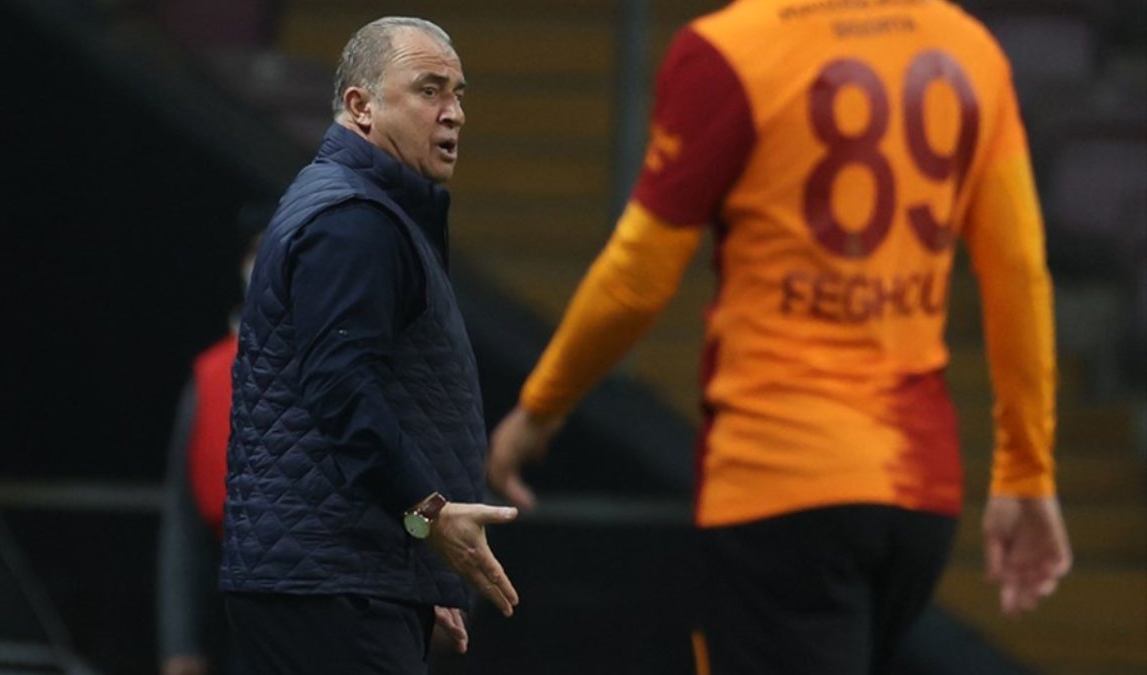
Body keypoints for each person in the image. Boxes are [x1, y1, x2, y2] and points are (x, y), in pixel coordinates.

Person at [488, 1, 1072, 673]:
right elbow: (1018, 271)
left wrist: (539, 409)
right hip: (918, 497)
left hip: (782, 481)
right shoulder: (968, 46)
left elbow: (636, 281)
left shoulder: (732, 51)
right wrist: (1026, 471)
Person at [220, 17, 518, 674]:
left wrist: (416, 560)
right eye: (429, 90)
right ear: (361, 106)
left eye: (458, 94)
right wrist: (429, 516)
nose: (454, 113)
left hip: (341, 577)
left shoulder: (367, 210)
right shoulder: (353, 219)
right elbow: (341, 387)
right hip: (332, 587)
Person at [157, 204, 268, 675]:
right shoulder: (211, 378)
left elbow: (413, 494)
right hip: (243, 615)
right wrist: (179, 643)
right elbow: (183, 525)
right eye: (260, 252)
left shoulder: (353, 367)